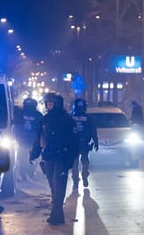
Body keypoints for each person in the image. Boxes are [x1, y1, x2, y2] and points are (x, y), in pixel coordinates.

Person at [29, 92, 79, 225]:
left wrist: (71, 157)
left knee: (59, 185)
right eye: (48, 103)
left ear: (57, 104)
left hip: (62, 156)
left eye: (51, 103)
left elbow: (74, 140)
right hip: (49, 156)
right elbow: (38, 139)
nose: (49, 106)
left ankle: (56, 214)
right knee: (53, 184)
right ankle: (58, 213)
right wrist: (34, 153)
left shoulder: (67, 119)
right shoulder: (44, 120)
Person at [70, 98, 98, 189]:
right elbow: (66, 130)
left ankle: (83, 176)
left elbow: (93, 130)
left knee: (84, 162)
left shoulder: (88, 118)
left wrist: (95, 141)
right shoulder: (70, 117)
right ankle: (76, 180)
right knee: (76, 163)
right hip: (75, 143)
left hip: (83, 143)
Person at [14, 97, 43, 179]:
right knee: (23, 157)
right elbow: (16, 125)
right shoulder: (21, 113)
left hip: (31, 140)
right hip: (24, 139)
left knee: (31, 156)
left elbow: (40, 127)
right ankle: (25, 173)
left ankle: (29, 172)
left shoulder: (37, 115)